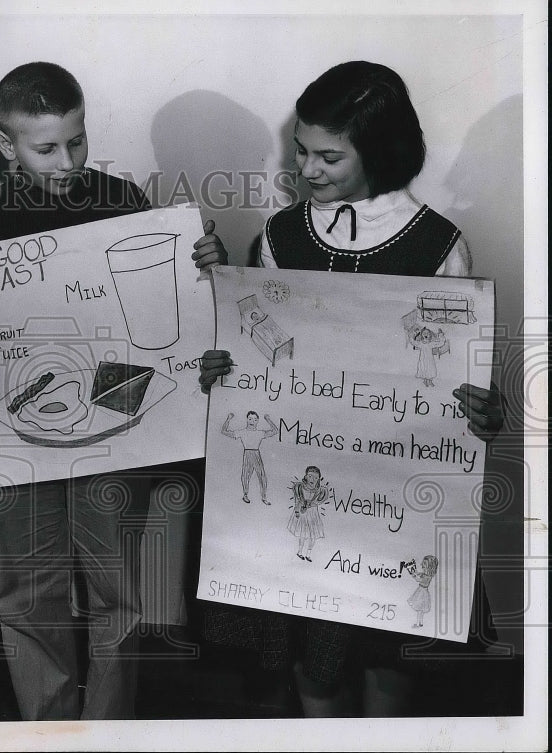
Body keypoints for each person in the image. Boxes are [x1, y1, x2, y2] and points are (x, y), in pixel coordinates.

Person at [194, 61, 505, 717]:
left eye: (329, 156)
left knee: (391, 664)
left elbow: (460, 382)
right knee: (316, 663)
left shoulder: (437, 245)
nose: (307, 169)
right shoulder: (278, 237)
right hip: (309, 494)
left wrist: (482, 409)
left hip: (398, 506)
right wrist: (224, 372)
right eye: (301, 151)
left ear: (380, 151)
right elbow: (259, 360)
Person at [0, 62, 225, 721]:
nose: (68, 158)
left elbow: (162, 316)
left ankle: (108, 729)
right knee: (22, 589)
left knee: (119, 590)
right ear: (5, 144)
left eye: (77, 139)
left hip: (111, 424)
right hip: (19, 438)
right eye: (46, 147)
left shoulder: (123, 199)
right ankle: (47, 725)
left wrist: (203, 262)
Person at [220, 410, 278, 504]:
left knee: (262, 476)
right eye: (250, 419)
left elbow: (275, 431)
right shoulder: (242, 432)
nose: (252, 421)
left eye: (255, 419)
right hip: (247, 454)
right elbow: (223, 431)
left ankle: (264, 497)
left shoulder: (260, 433)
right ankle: (245, 495)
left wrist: (268, 420)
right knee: (245, 476)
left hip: (256, 454)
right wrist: (228, 419)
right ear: (247, 420)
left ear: (258, 421)